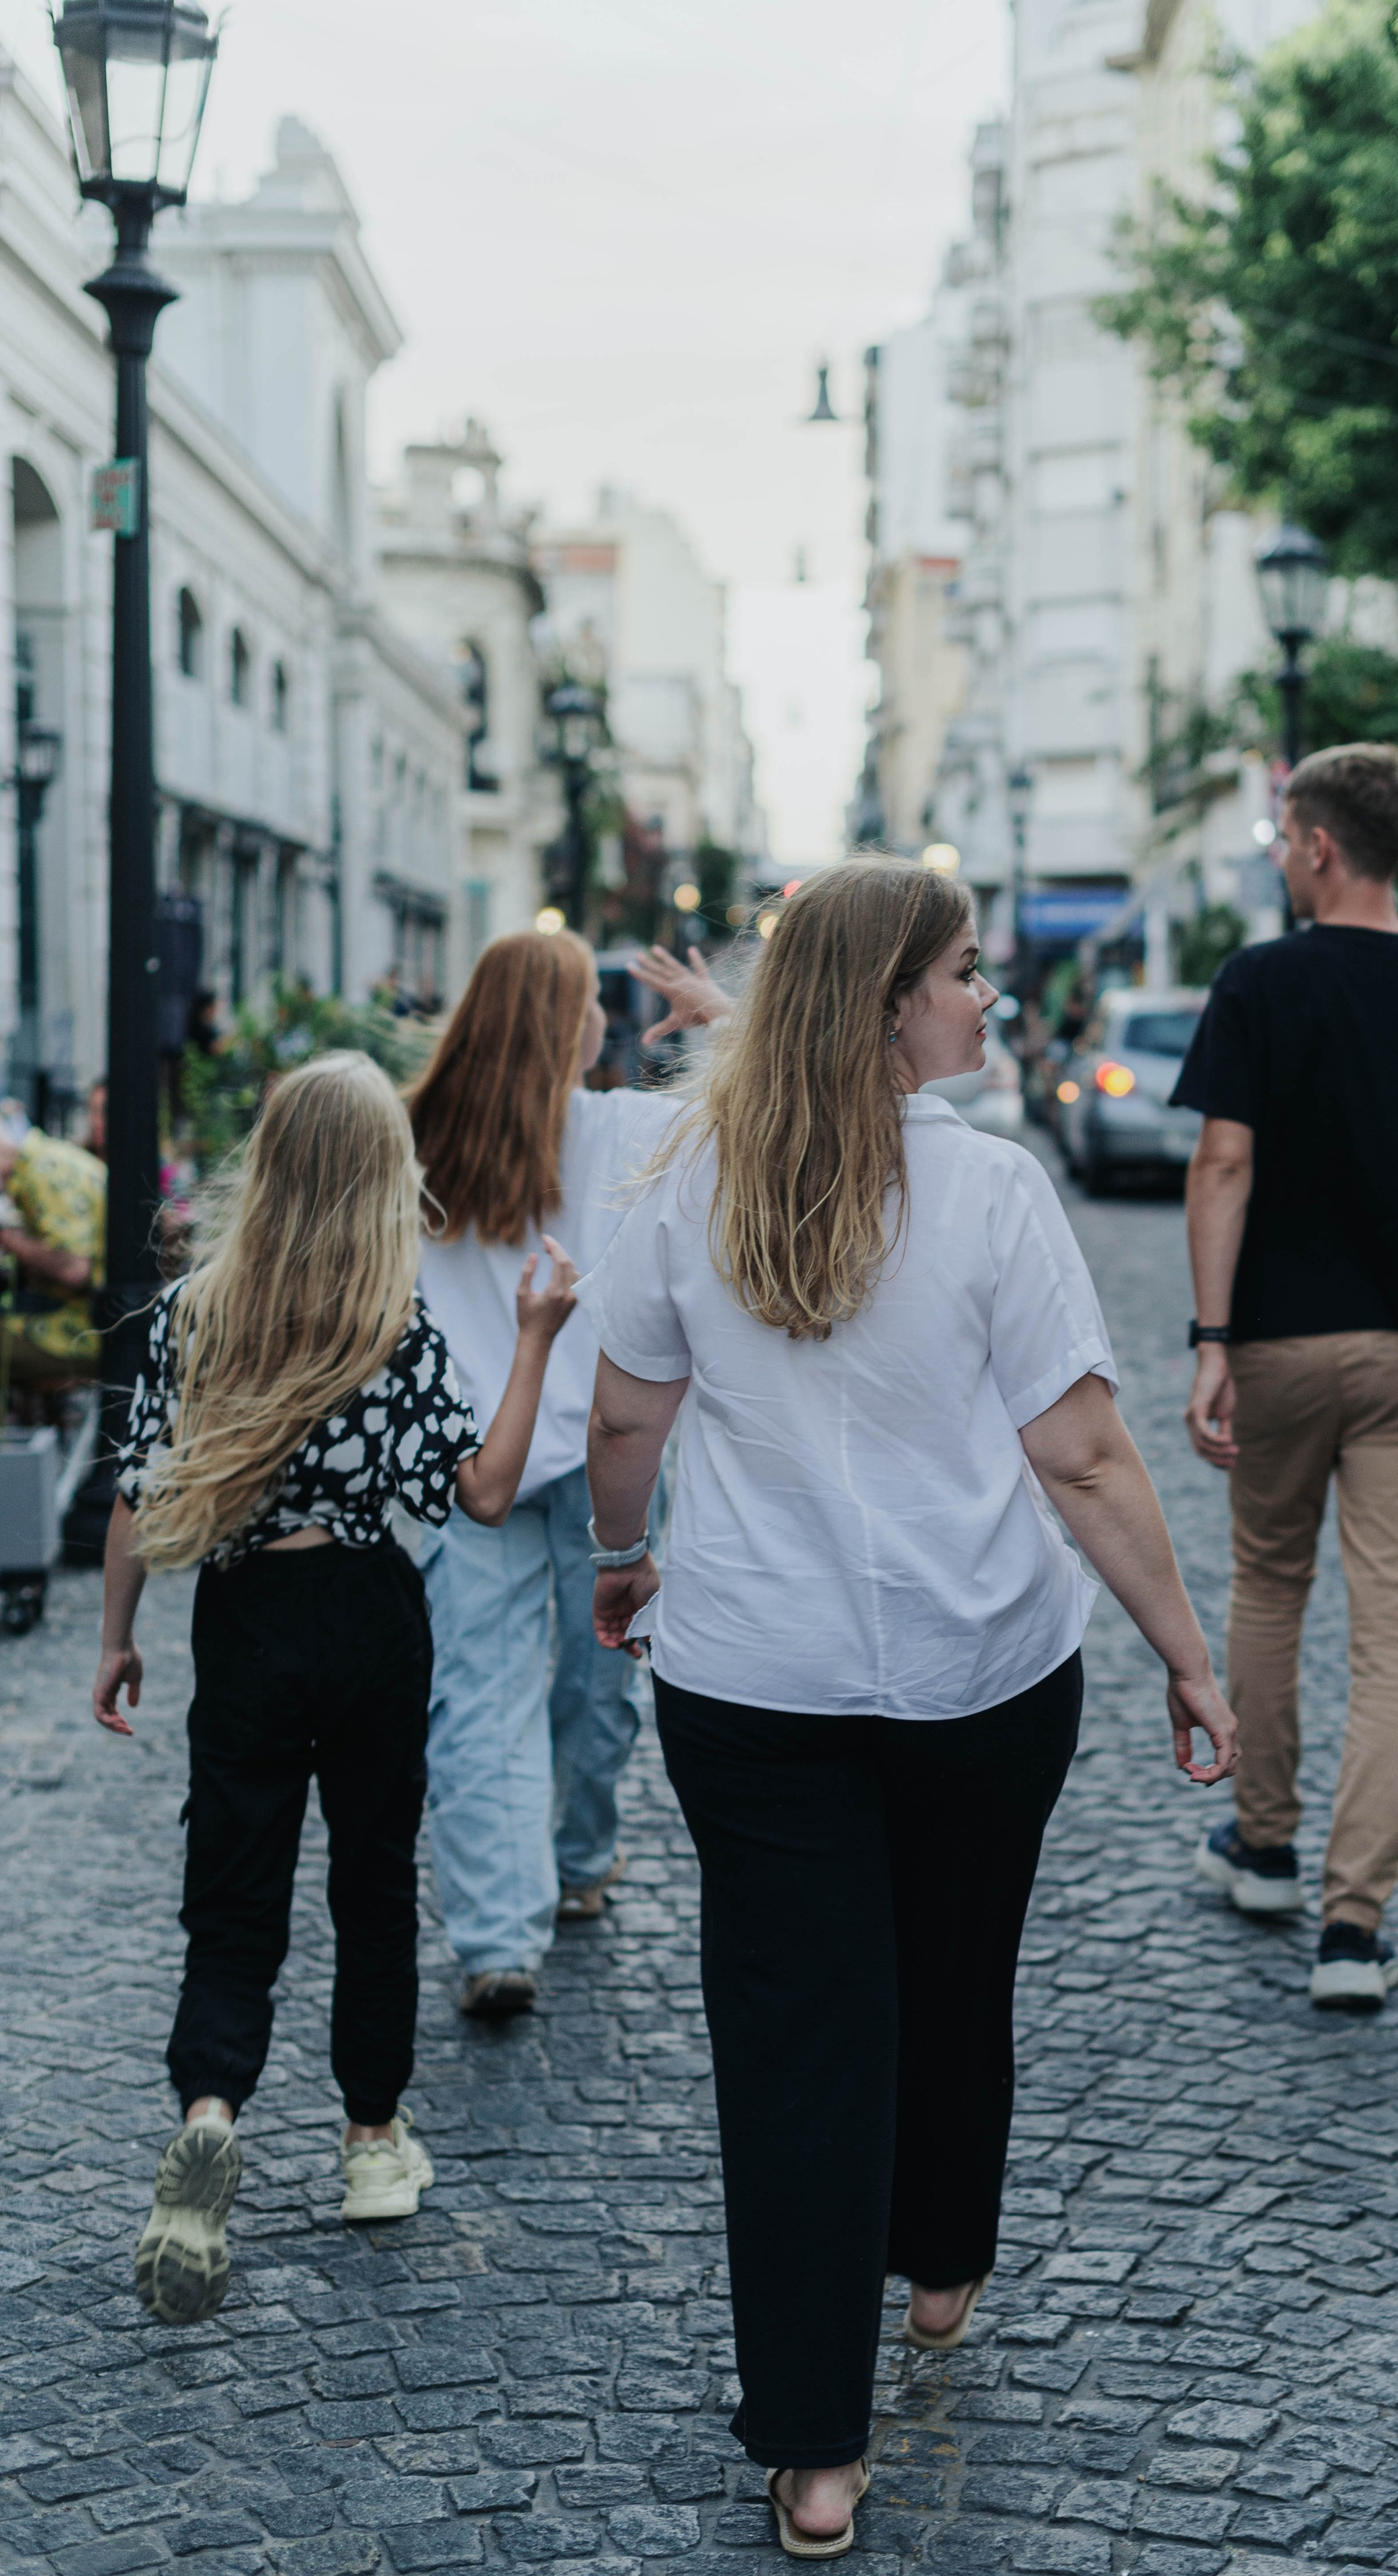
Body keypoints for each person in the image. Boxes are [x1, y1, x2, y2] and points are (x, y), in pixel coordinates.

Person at [578, 859, 1237, 2557]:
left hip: (753, 1671)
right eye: (962, 973)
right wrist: (1182, 1646)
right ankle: (938, 2265)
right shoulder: (993, 1195)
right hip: (978, 1666)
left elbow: (628, 1419)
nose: (985, 999)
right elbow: (1080, 1453)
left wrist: (614, 1552)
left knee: (796, 2034)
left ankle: (811, 2448)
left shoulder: (684, 1179)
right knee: (954, 1966)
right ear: (886, 1006)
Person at [92, 1052, 577, 2327]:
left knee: (234, 1899)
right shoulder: (396, 1323)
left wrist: (116, 1639)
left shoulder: (200, 1311)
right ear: (379, 1177)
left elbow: (140, 1495)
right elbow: (481, 1493)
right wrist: (533, 1340)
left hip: (248, 1622)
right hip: (370, 1613)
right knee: (371, 1888)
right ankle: (371, 2144)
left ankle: (210, 2115)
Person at [1172, 743, 1398, 2010]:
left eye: (1282, 839)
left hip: (1275, 1339)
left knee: (1270, 1586)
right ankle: (1352, 1929)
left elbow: (1223, 1165)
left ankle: (1262, 1845)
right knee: (1397, 1628)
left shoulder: (1262, 983)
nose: (1278, 859)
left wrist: (1211, 1339)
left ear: (1321, 847)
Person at [410, 929, 728, 2018]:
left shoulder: (414, 1145)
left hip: (467, 1457)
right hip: (607, 1452)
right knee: (600, 1678)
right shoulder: (632, 1132)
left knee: (477, 1690)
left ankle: (499, 1936)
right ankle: (583, 1859)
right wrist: (721, 1018)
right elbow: (790, 1111)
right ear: (575, 1025)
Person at [0, 1116, 105, 1386]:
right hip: (94, 1319)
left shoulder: (43, 1171)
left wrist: (11, 1240)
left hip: (86, 1333)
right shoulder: (46, 1159)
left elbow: (75, 1270)